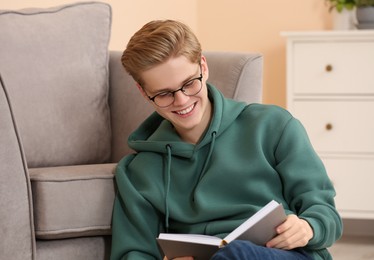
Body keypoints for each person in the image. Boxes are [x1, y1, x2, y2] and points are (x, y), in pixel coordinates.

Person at [110, 20, 342, 260]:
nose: (181, 101)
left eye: (189, 83)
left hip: (286, 255)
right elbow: (133, 253)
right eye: (164, 94)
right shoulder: (138, 172)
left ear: (203, 66)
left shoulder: (273, 125)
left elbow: (326, 213)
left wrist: (308, 228)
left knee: (235, 254)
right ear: (143, 92)